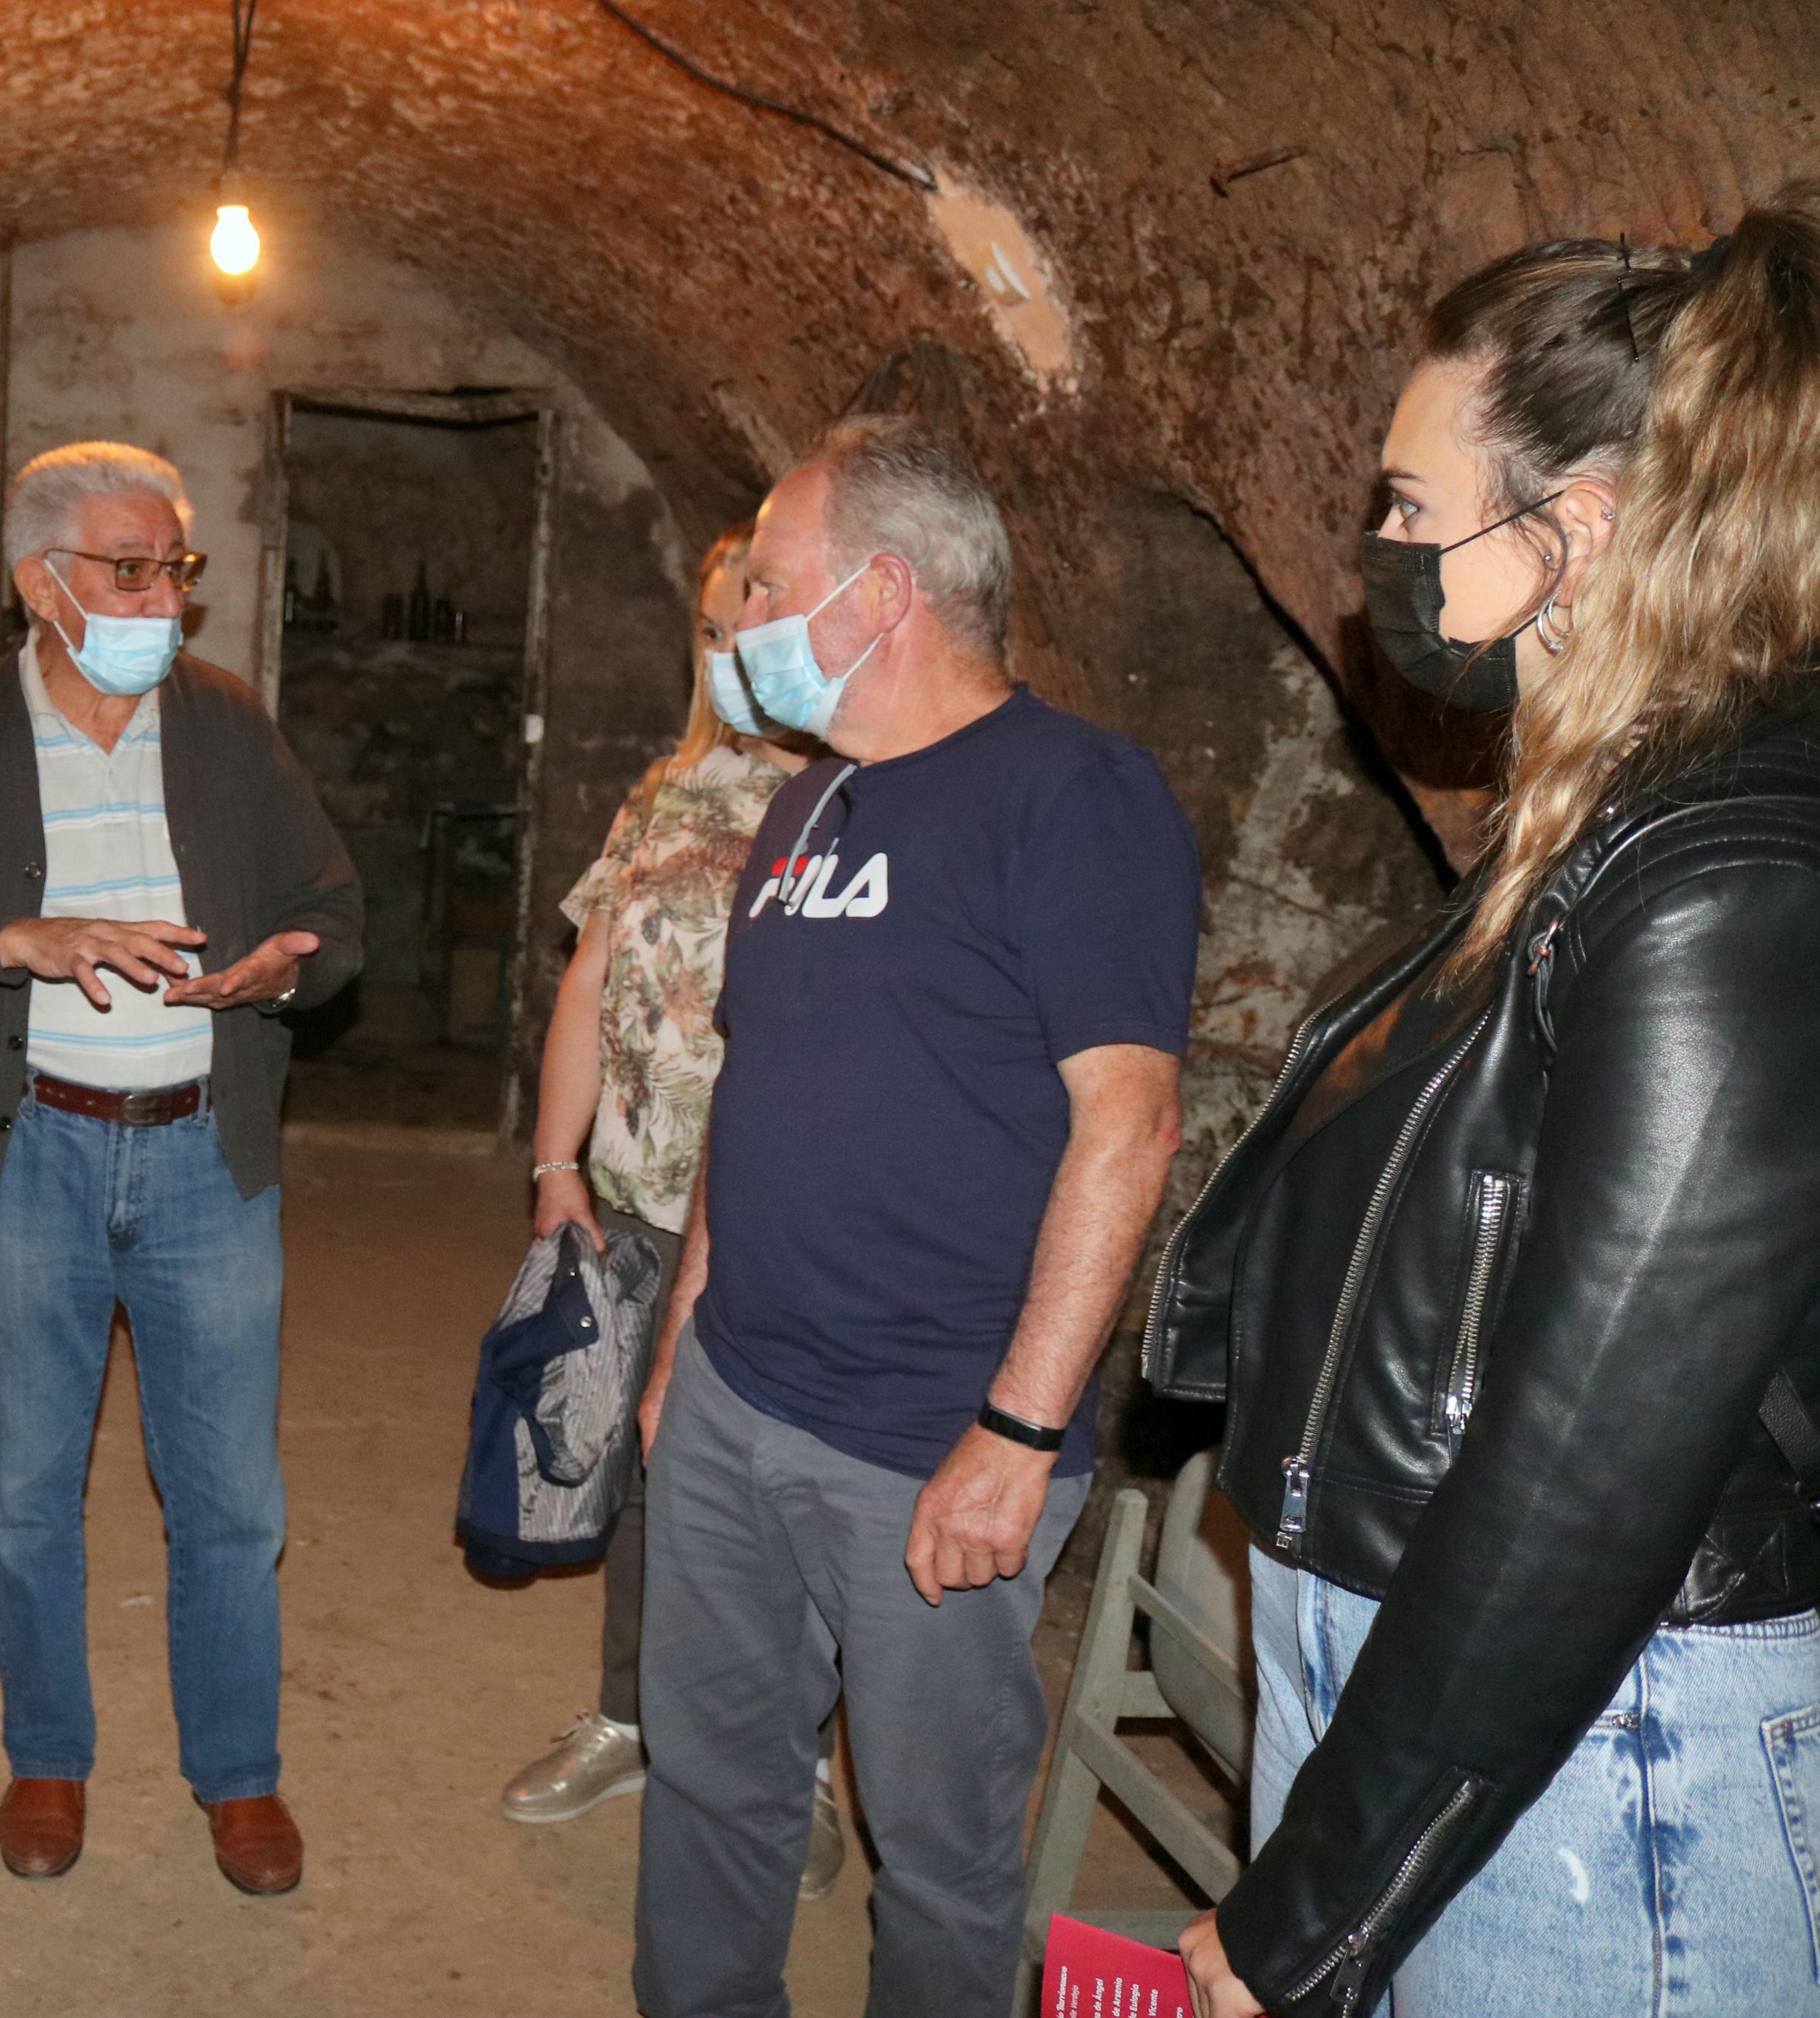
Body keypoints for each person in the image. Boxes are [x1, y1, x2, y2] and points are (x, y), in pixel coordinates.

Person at [1167, 189, 1820, 2018]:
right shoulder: (1607, 822)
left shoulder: (1720, 875)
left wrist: (1313, 1905)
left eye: (1410, 505)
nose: (1379, 548)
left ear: (1575, 533)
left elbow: (1587, 1480)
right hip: (1446, 1712)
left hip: (1602, 1773)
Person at [631, 415, 1202, 2018]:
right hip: (740, 1394)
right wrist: (684, 1346)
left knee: (939, 1849)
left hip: (928, 1433)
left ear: (880, 593)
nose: (744, 620)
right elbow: (756, 1087)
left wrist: (1018, 1433)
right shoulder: (807, 805)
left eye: (770, 584)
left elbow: (1130, 1123)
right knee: (712, 1781)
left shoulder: (1072, 795)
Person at [0, 441, 362, 1899]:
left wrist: (285, 966)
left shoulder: (226, 724)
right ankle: (47, 1757)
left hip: (203, 1153)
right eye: (130, 571)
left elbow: (333, 906)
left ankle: (238, 1777)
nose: (162, 600)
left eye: (176, 568)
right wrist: (22, 938)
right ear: (40, 584)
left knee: (230, 1498)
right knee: (29, 1491)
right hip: (31, 1156)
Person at [499, 529, 851, 1900]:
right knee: (642, 1474)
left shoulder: (858, 799)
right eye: (712, 631)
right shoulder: (665, 792)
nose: (730, 655)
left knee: (788, 1492)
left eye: (751, 624)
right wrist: (556, 1166)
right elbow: (590, 979)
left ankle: (795, 1768)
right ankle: (633, 1719)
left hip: (783, 1214)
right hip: (645, 1205)